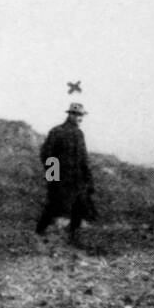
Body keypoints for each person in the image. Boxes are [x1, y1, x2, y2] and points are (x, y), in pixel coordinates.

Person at [35, 101, 97, 245]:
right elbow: (47, 154)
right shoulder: (57, 131)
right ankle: (39, 233)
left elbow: (83, 159)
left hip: (78, 179)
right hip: (61, 178)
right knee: (53, 206)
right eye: (76, 115)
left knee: (79, 208)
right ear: (70, 115)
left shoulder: (79, 134)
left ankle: (73, 238)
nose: (79, 118)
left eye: (81, 115)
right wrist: (52, 178)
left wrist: (88, 179)